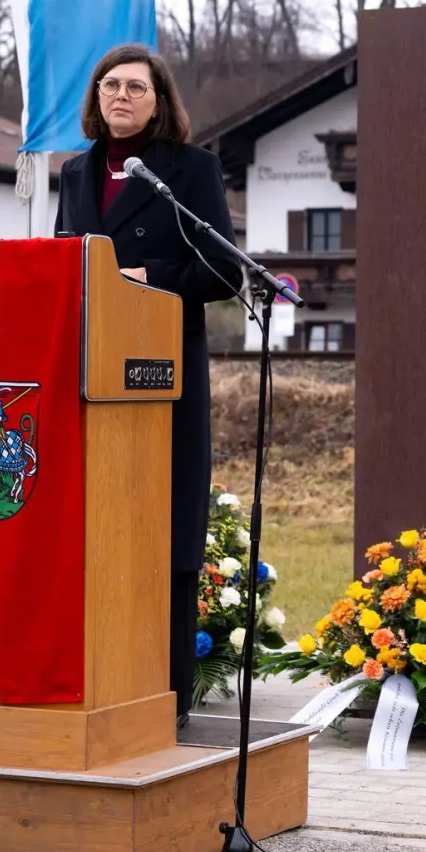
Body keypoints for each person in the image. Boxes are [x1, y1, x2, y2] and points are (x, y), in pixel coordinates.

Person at [56, 44, 243, 728]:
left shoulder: (188, 171)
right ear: (96, 99)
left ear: (159, 100)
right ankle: (96, 683)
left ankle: (164, 696)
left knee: (163, 534)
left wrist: (143, 279)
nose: (121, 96)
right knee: (94, 534)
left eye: (136, 86)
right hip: (90, 382)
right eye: (110, 85)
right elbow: (62, 267)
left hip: (163, 381)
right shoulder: (76, 173)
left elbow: (224, 273)